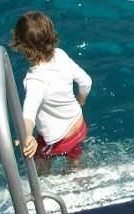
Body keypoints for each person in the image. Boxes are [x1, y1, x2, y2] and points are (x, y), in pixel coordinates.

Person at [10, 11, 92, 176]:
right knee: (74, 156)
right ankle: (80, 174)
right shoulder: (60, 54)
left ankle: (43, 186)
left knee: (40, 159)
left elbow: (29, 113)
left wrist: (26, 135)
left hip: (59, 140)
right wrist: (80, 102)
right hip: (79, 127)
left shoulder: (35, 80)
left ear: (20, 46)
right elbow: (86, 82)